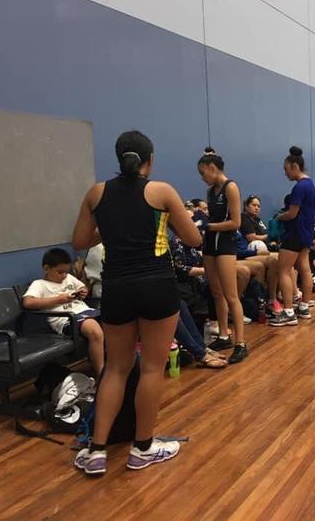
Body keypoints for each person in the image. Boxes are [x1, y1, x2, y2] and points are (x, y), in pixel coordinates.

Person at [71, 130, 202, 475]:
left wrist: (112, 228)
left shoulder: (97, 193)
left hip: (117, 290)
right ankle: (142, 448)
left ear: (118, 158)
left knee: (116, 367)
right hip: (157, 286)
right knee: (152, 368)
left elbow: (80, 240)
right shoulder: (162, 192)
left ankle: (96, 451)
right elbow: (194, 237)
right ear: (150, 160)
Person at [197, 148, 248, 363]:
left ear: (213, 168)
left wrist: (209, 226)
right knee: (216, 293)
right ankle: (224, 335)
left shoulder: (231, 187)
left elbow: (236, 223)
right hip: (210, 245)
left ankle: (241, 343)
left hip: (226, 245)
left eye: (203, 173)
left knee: (231, 295)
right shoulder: (210, 192)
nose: (202, 178)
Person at [22, 248, 104, 375]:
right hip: (67, 320)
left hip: (86, 311)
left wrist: (83, 291)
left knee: (114, 322)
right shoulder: (40, 284)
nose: (64, 275)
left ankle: (117, 369)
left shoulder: (69, 278)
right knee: (94, 330)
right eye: (60, 272)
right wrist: (58, 300)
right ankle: (101, 374)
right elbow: (28, 302)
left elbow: (83, 287)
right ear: (46, 268)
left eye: (66, 272)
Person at [269, 146, 315, 326]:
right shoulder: (310, 184)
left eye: (286, 169)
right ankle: (303, 306)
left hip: (294, 234)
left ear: (295, 166)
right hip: (306, 233)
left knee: (283, 270)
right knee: (304, 268)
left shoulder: (299, 187)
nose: (285, 173)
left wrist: (278, 217)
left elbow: (292, 213)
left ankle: (288, 312)